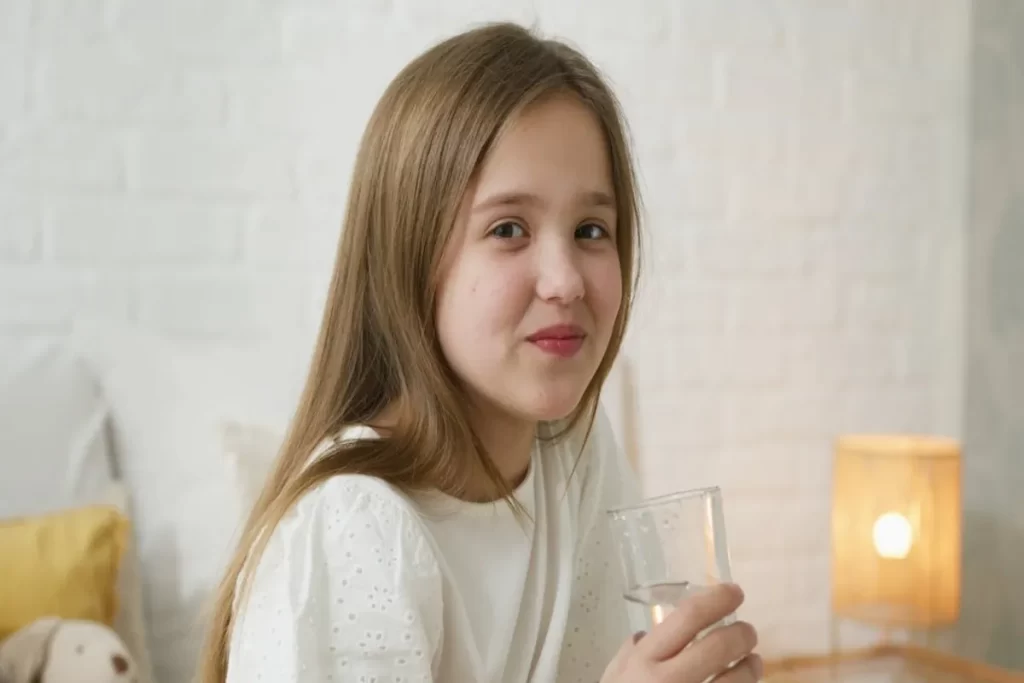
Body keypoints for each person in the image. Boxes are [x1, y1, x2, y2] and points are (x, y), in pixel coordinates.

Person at [199, 21, 761, 683]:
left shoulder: (573, 452)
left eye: (590, 229)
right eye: (507, 229)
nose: (565, 280)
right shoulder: (354, 526)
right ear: (411, 257)